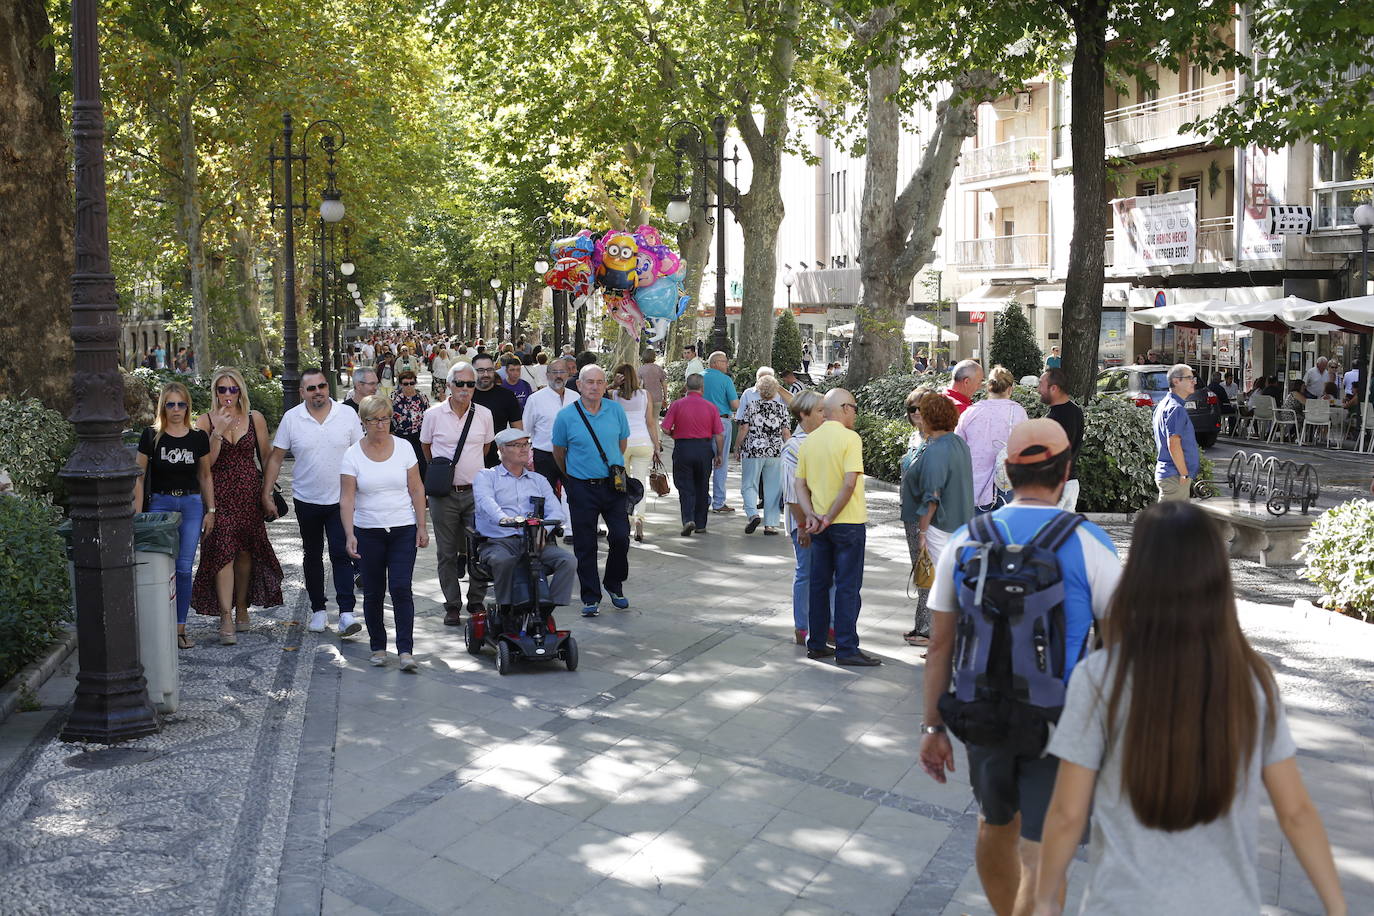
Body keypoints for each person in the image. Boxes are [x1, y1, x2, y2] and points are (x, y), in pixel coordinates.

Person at [1033, 501, 1345, 916]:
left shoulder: (1100, 677)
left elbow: (1068, 813)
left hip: (1122, 903)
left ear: (1138, 575)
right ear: (1216, 578)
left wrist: (1043, 899)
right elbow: (1296, 812)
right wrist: (1337, 907)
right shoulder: (1252, 682)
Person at [920, 419, 1121, 916]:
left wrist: (933, 726)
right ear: (1066, 471)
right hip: (1061, 720)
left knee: (993, 822)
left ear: (1008, 472)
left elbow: (940, 645)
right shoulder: (1092, 545)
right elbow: (1119, 652)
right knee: (1043, 849)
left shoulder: (967, 540)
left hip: (983, 712)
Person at [262, 368, 365, 635]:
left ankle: (345, 613)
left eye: (322, 386)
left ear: (328, 387)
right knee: (312, 555)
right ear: (302, 392)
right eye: (311, 388)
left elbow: (360, 454)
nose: (318, 391)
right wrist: (266, 492)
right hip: (306, 499)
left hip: (341, 499)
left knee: (342, 554)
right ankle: (318, 610)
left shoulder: (347, 415)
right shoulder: (292, 418)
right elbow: (275, 457)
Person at [191, 368, 284, 644]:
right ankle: (226, 616)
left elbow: (267, 458)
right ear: (215, 392)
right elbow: (206, 465)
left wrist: (267, 494)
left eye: (233, 389)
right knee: (222, 554)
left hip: (248, 495)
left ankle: (241, 606)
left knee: (245, 554)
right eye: (222, 389)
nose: (228, 395)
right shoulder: (204, 421)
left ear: (241, 390)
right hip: (217, 495)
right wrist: (218, 431)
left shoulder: (255, 419)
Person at [340, 396, 428, 672]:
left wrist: (422, 526)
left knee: (401, 588)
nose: (381, 424)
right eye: (375, 420)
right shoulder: (352, 454)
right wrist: (349, 533)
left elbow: (416, 489)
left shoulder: (404, 448)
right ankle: (378, 646)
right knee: (374, 592)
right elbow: (347, 498)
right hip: (368, 531)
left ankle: (405, 650)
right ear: (363, 423)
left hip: (402, 528)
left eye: (385, 418)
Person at [794, 389, 880, 667]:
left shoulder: (810, 440)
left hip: (820, 524)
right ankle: (846, 648)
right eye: (853, 407)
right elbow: (849, 483)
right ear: (843, 408)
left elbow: (799, 485)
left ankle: (816, 643)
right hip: (847, 522)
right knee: (847, 586)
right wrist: (830, 516)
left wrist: (812, 516)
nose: (855, 412)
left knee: (819, 584)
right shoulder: (850, 438)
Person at [133, 381, 214, 649]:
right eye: (171, 404)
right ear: (163, 407)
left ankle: (179, 628)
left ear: (187, 406)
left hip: (191, 506)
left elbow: (205, 475)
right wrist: (137, 514)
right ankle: (157, 626)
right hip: (160, 506)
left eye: (181, 404)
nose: (176, 409)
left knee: (182, 567)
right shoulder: (151, 436)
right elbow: (139, 477)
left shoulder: (198, 438)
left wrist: (210, 510)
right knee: (158, 567)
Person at [552, 364, 632, 617]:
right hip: (581, 487)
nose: (595, 387)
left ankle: (614, 583)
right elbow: (558, 452)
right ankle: (590, 596)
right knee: (585, 544)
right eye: (590, 382)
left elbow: (621, 444)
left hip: (613, 485)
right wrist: (573, 477)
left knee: (621, 537)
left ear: (606, 385)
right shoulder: (566, 416)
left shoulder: (615, 410)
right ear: (579, 385)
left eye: (600, 382)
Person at [421, 362, 496, 626]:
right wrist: (444, 474)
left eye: (470, 384)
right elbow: (426, 448)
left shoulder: (484, 414)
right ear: (449, 385)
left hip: (477, 493)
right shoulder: (433, 414)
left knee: (479, 548)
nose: (465, 389)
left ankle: (476, 601)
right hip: (444, 495)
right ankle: (452, 604)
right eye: (460, 383)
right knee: (446, 552)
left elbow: (485, 449)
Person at [473, 428, 578, 612]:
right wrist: (503, 518)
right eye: (517, 445)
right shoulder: (487, 476)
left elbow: (557, 511)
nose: (524, 449)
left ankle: (546, 609)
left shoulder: (538, 480)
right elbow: (485, 501)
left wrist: (544, 530)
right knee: (502, 560)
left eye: (526, 444)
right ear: (502, 449)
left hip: (535, 541)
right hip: (499, 541)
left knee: (567, 561)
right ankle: (505, 608)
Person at [903, 390, 974, 649]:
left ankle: (941, 641)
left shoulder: (936, 450)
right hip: (960, 523)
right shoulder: (958, 444)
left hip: (940, 525)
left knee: (938, 584)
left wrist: (922, 532)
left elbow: (932, 496)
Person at [956, 366, 1027, 512]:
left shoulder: (971, 413)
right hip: (1008, 485)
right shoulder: (1018, 412)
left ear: (988, 387)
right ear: (1010, 388)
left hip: (974, 486)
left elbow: (956, 448)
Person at [661, 373, 724, 537]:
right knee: (702, 485)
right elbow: (719, 434)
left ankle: (688, 519)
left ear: (686, 387)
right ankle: (701, 523)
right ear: (702, 388)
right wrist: (719, 454)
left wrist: (675, 434)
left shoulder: (677, 405)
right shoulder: (711, 407)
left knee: (685, 485)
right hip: (704, 448)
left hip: (683, 447)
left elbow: (665, 428)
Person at [525, 357, 579, 534]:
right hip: (544, 455)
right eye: (554, 372)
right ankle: (546, 531)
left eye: (562, 372)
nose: (558, 376)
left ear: (568, 374)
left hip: (571, 455)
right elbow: (527, 429)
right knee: (544, 495)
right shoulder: (535, 399)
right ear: (547, 375)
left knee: (573, 493)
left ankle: (572, 529)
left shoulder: (576, 398)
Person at [609, 363, 661, 543]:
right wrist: (656, 445)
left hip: (620, 445)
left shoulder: (613, 395)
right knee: (640, 483)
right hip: (643, 442)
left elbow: (594, 398)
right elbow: (650, 422)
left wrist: (612, 385)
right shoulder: (645, 395)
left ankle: (625, 519)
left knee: (620, 484)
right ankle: (639, 518)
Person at [734, 374, 790, 535]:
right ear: (775, 391)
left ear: (758, 389)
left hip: (753, 450)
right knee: (773, 487)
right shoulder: (781, 408)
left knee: (749, 484)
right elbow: (786, 433)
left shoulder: (751, 406)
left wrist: (737, 446)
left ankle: (752, 514)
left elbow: (743, 428)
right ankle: (771, 525)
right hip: (775, 451)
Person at [1038, 368, 1084, 511]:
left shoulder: (1053, 420)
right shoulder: (1076, 411)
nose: (1038, 389)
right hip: (1071, 483)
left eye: (1041, 385)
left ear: (1054, 388)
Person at [1153, 364, 1200, 502]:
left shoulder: (1164, 405)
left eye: (1193, 378)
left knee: (1171, 522)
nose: (1193, 381)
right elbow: (1173, 442)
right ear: (1176, 381)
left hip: (1171, 475)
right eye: (1189, 378)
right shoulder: (1175, 408)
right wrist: (1184, 474)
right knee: (1170, 523)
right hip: (1175, 477)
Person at [702, 350, 740, 513]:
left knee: (703, 464)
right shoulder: (726, 380)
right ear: (715, 363)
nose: (727, 364)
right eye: (724, 361)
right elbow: (735, 405)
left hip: (701, 423)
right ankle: (718, 503)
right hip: (722, 421)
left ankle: (703, 500)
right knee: (720, 462)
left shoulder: (698, 376)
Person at [471, 352, 524, 468]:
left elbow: (518, 432)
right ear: (472, 371)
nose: (486, 374)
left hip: (498, 462)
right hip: (468, 459)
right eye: (480, 370)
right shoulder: (466, 395)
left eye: (489, 370)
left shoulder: (507, 396)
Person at [390, 368, 429, 481]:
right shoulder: (394, 397)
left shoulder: (421, 396)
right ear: (400, 384)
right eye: (405, 384)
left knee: (421, 462)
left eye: (412, 383)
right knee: (401, 464)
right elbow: (387, 414)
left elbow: (428, 414)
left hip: (418, 436)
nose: (409, 386)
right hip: (400, 435)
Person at [638, 349, 667, 416]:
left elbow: (637, 385)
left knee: (646, 420)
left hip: (645, 398)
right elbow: (664, 385)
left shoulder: (641, 369)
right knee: (655, 419)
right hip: (658, 399)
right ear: (654, 357)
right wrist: (665, 398)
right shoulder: (659, 369)